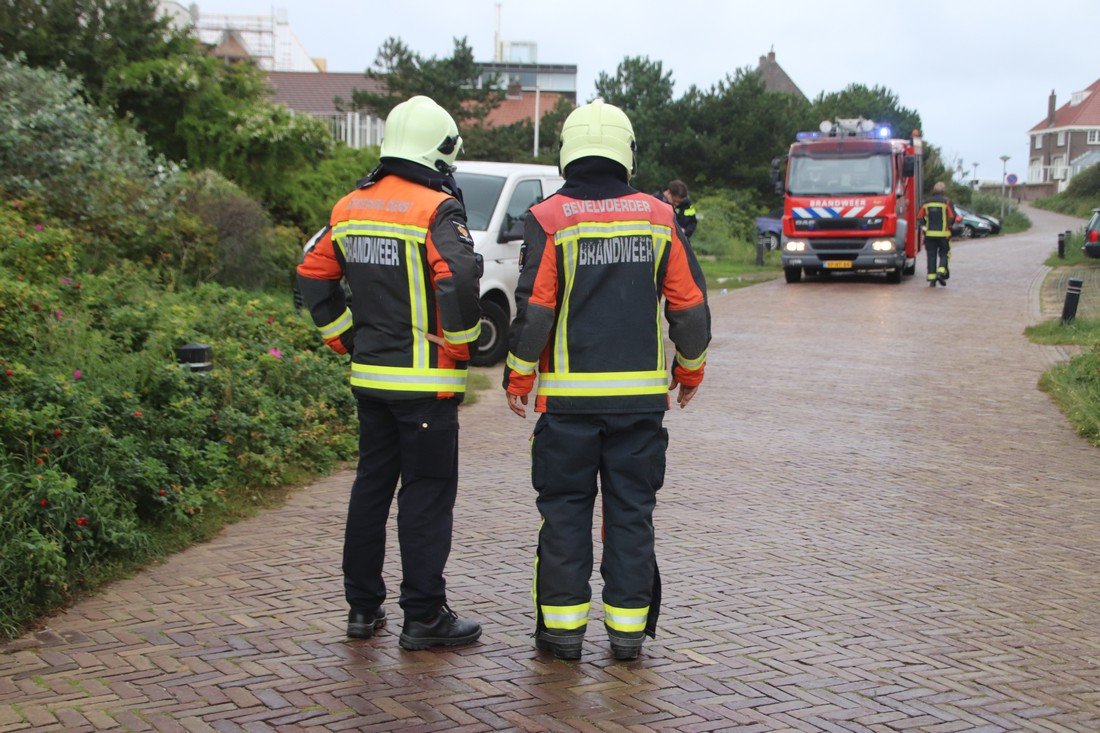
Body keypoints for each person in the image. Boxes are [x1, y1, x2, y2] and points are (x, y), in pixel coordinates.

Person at [503, 100, 711, 661]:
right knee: (630, 517)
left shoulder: (549, 217)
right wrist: (688, 370)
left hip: (568, 409)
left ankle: (563, 635)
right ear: (627, 153)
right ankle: (625, 637)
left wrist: (518, 378)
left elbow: (536, 310)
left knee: (565, 514)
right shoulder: (658, 216)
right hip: (640, 408)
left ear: (568, 150)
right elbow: (689, 309)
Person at [297, 95, 483, 650]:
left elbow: (312, 272)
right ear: (438, 150)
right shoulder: (436, 209)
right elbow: (459, 279)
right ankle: (424, 617)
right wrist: (459, 346)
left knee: (371, 490)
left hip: (371, 380)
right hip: (425, 386)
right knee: (424, 496)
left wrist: (345, 338)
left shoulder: (349, 206)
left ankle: (362, 610)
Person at [918, 181, 960, 287]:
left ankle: (932, 280)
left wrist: (924, 228)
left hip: (929, 235)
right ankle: (941, 273)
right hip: (943, 234)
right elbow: (952, 216)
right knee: (944, 253)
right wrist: (949, 227)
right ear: (943, 190)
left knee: (931, 256)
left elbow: (919, 217)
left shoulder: (926, 202)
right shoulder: (946, 201)